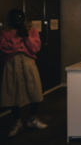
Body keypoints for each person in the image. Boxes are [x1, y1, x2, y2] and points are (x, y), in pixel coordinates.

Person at [0, 9, 47, 138]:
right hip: (12, 64)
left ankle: (33, 118)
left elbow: (35, 48)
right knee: (12, 93)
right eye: (15, 17)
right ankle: (17, 122)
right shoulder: (5, 32)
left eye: (21, 17)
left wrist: (25, 37)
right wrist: (18, 42)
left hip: (28, 63)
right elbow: (5, 48)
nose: (18, 20)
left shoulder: (31, 31)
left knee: (34, 90)